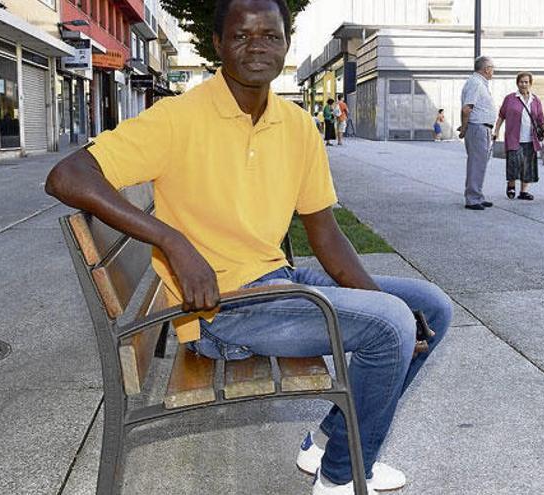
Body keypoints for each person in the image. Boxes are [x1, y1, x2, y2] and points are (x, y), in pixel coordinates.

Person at [43, 1, 452, 494]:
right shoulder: (178, 118)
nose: (257, 46)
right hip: (220, 311)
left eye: (270, 35)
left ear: (285, 44)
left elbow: (325, 235)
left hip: (277, 285)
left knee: (429, 307)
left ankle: (327, 447)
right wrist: (172, 242)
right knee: (389, 327)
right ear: (218, 44)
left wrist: (382, 298)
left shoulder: (297, 125)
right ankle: (341, 478)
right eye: (241, 35)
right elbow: (67, 176)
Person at [493, 72, 544, 200]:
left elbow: (541, 118)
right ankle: (511, 185)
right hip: (514, 137)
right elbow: (501, 116)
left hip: (531, 138)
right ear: (517, 83)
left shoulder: (535, 100)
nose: (524, 84)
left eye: (526, 82)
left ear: (530, 84)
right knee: (514, 163)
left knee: (528, 165)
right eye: (521, 82)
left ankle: (523, 192)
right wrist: (496, 130)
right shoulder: (510, 98)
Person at [458, 55, 497, 211]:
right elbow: (467, 108)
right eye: (492, 68)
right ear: (486, 69)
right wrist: (464, 128)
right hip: (477, 127)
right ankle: (472, 198)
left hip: (483, 127)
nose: (493, 71)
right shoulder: (475, 83)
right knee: (476, 163)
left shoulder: (480, 83)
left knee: (480, 163)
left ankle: (477, 195)